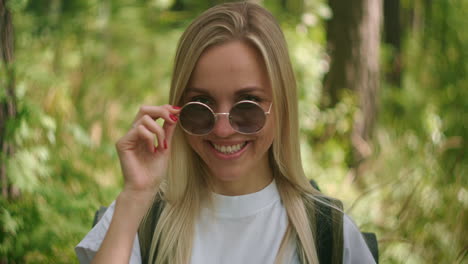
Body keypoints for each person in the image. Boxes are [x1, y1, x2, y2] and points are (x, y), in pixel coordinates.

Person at [75, 2, 376, 264]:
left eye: (248, 106)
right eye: (200, 105)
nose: (222, 129)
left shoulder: (326, 232)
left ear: (282, 107)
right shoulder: (143, 217)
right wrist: (136, 194)